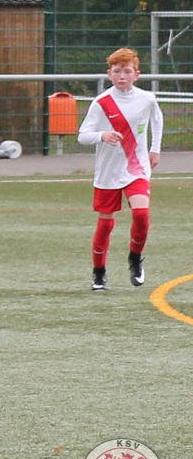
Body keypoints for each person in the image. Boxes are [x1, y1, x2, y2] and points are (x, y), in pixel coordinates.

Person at [78, 47, 163, 291]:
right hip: (108, 172)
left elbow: (157, 121)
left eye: (127, 71)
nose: (122, 76)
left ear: (137, 74)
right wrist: (102, 135)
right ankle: (99, 272)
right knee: (105, 224)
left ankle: (135, 258)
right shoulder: (101, 102)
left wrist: (155, 149)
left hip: (136, 168)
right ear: (109, 74)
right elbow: (83, 135)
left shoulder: (147, 98)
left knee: (141, 215)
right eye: (117, 71)